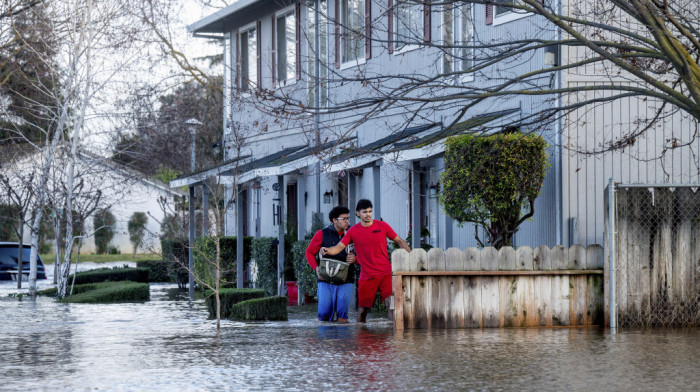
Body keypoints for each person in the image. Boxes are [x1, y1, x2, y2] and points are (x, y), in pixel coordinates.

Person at [321, 199, 410, 323]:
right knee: (362, 312)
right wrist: (328, 251)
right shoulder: (353, 231)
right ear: (358, 213)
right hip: (367, 275)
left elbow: (399, 241)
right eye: (364, 212)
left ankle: (393, 337)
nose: (368, 214)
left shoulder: (382, 226)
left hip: (385, 273)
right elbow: (339, 247)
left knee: (391, 306)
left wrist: (411, 256)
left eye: (370, 211)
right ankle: (362, 337)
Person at [305, 206, 356, 322]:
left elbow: (364, 253)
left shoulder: (353, 233)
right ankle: (325, 340)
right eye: (344, 219)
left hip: (346, 280)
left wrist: (355, 259)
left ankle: (342, 339)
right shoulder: (321, 234)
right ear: (334, 220)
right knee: (323, 317)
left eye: (348, 218)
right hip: (325, 279)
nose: (347, 221)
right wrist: (316, 268)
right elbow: (309, 252)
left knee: (342, 318)